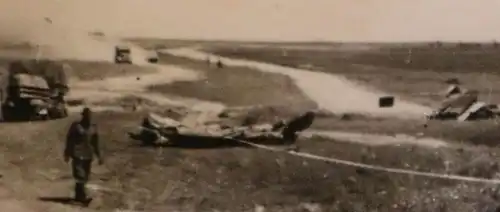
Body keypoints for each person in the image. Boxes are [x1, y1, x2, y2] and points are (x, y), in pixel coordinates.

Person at [64, 107, 103, 205]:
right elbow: (69, 140)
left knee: (85, 177)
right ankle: (82, 198)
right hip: (77, 154)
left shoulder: (93, 127)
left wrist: (99, 156)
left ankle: (78, 196)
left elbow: (95, 143)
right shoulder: (76, 126)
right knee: (80, 175)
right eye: (87, 116)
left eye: (90, 116)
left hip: (88, 155)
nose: (88, 118)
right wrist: (67, 153)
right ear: (83, 116)